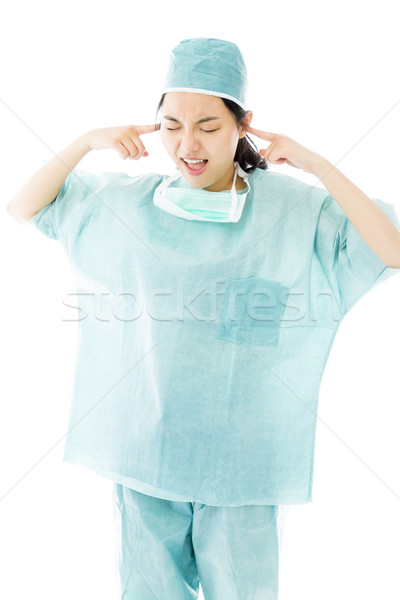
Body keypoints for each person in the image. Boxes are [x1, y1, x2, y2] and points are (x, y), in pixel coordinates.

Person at [7, 37, 400, 600]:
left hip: (241, 467)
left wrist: (317, 164)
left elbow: (391, 249)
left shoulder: (292, 211)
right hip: (145, 453)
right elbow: (26, 207)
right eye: (171, 125)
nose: (187, 144)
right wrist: (84, 142)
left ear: (244, 125)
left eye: (209, 126)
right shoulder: (128, 205)